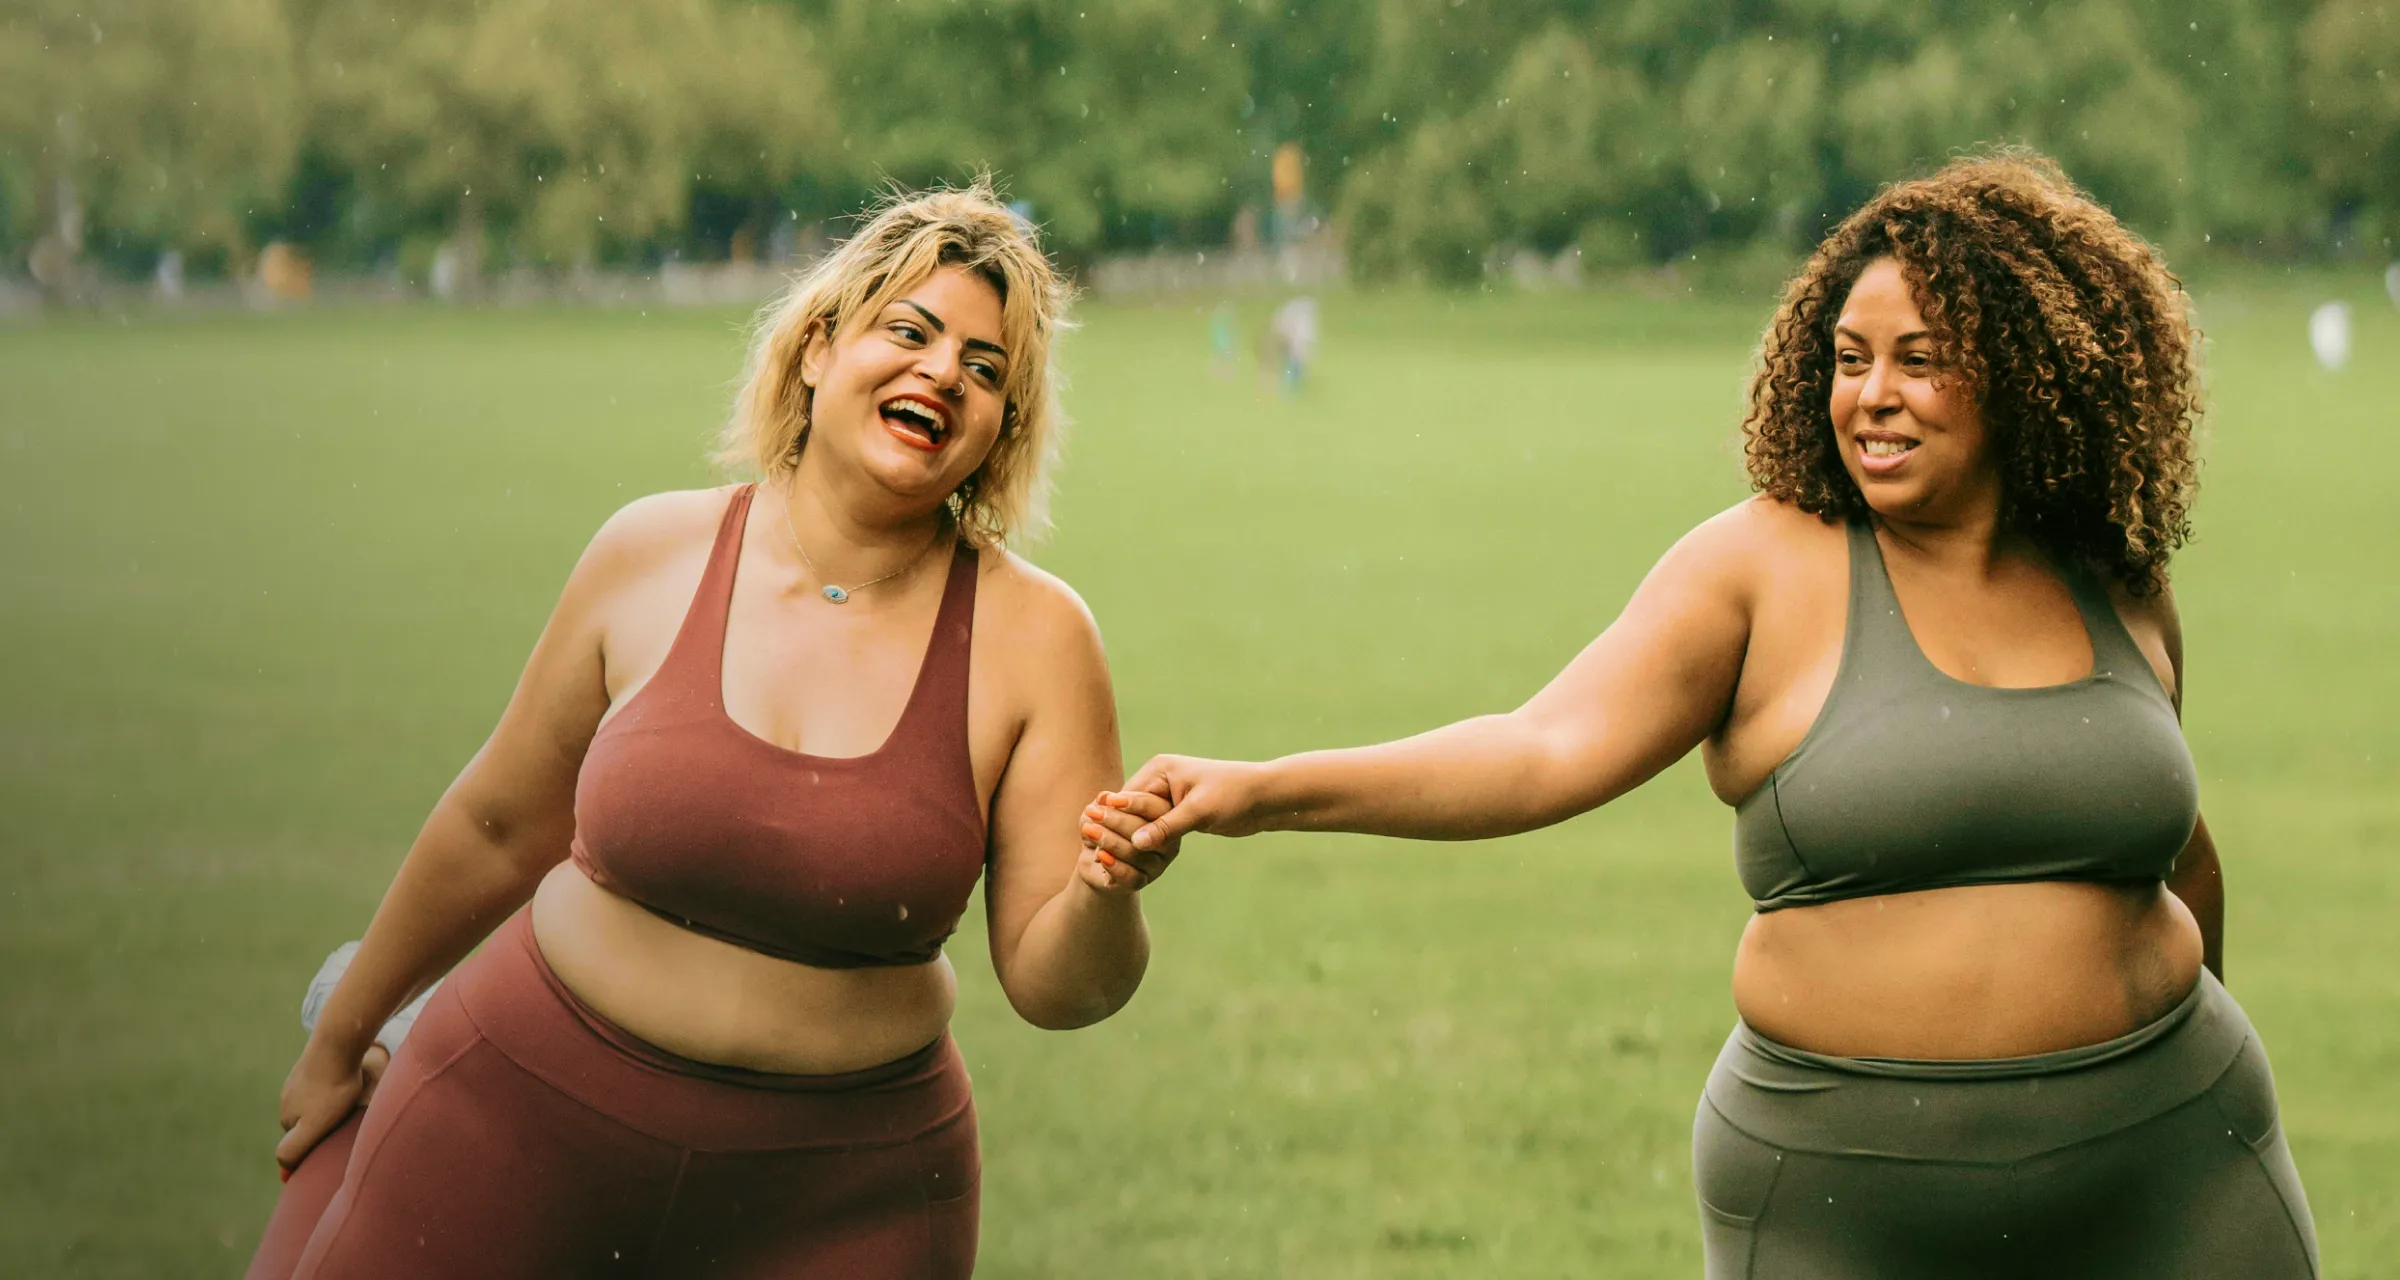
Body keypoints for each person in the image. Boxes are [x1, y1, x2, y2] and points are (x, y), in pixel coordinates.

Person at [1085, 153, 2318, 1278]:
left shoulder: (2113, 577)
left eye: (1920, 358)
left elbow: (2172, 850)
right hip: (1846, 1193)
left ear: (2023, 372)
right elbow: (1540, 747)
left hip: (2173, 1162)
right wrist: (1261, 790)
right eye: (1848, 358)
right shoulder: (1758, 569)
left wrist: (2134, 1063)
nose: (1873, 396)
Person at [247, 181, 1178, 1280]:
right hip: (515, 1120)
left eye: (985, 373)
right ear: (820, 347)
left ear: (996, 433)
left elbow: (1059, 984)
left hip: (844, 1198)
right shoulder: (650, 552)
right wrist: (340, 1037)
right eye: (911, 333)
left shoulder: (1041, 639)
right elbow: (498, 823)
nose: (942, 375)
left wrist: (1106, 890)